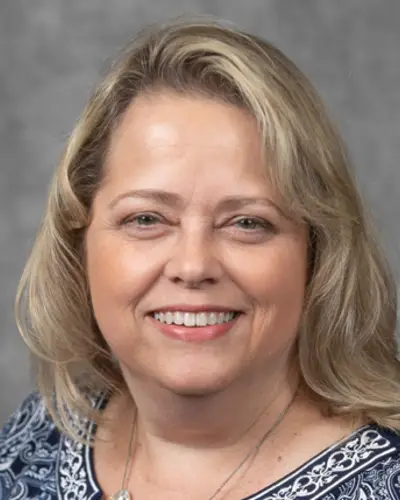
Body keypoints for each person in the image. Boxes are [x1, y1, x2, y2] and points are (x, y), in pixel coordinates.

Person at [1, 16, 399, 500]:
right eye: (146, 219)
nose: (192, 266)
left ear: (318, 252)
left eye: (247, 223)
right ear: (78, 240)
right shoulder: (44, 431)